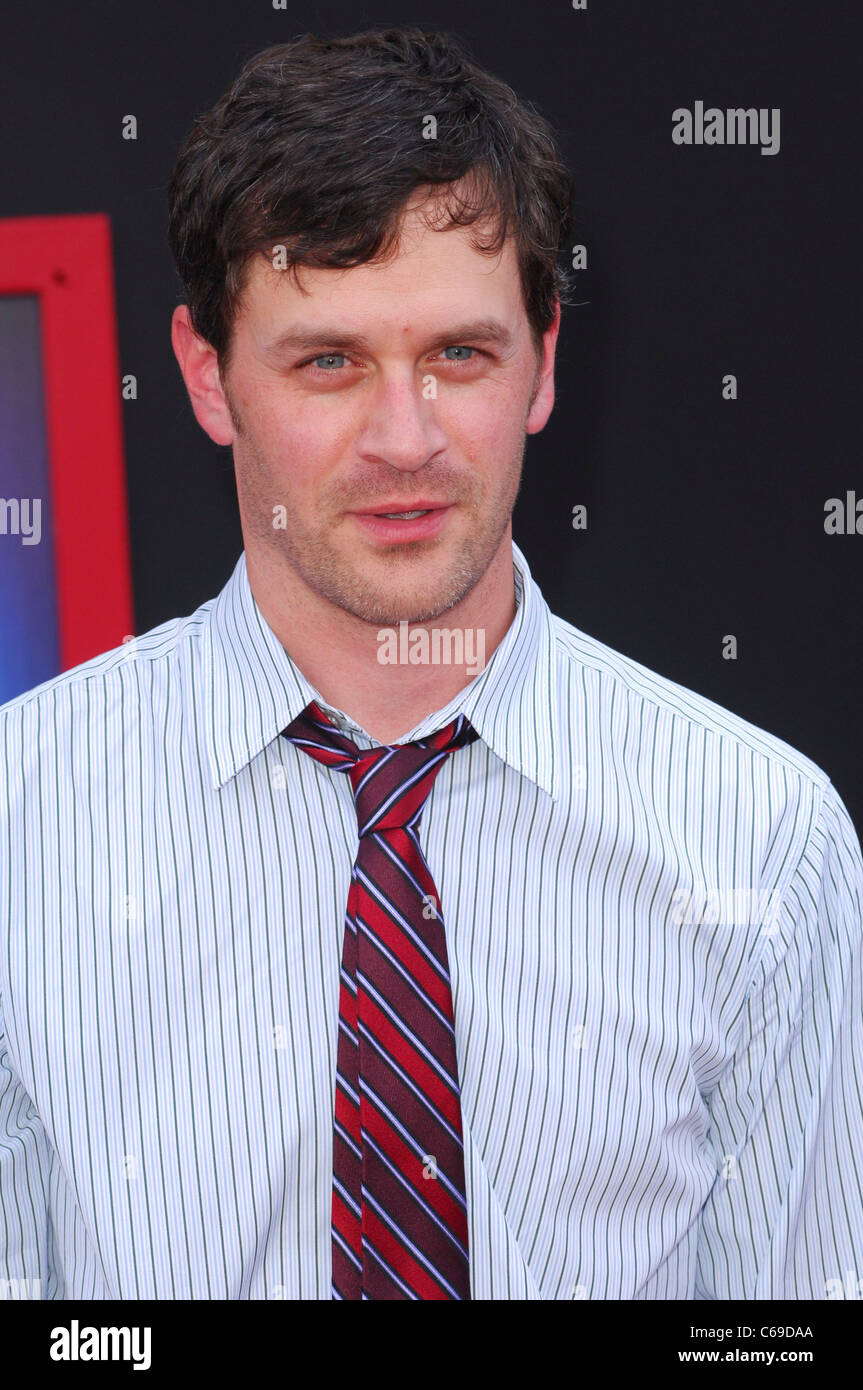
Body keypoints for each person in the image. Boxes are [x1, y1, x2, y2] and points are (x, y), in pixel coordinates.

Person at [1, 25, 861, 1302]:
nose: (404, 441)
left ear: (542, 362)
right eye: (328, 362)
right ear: (206, 376)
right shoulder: (20, 821)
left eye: (457, 354)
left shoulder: (758, 841)